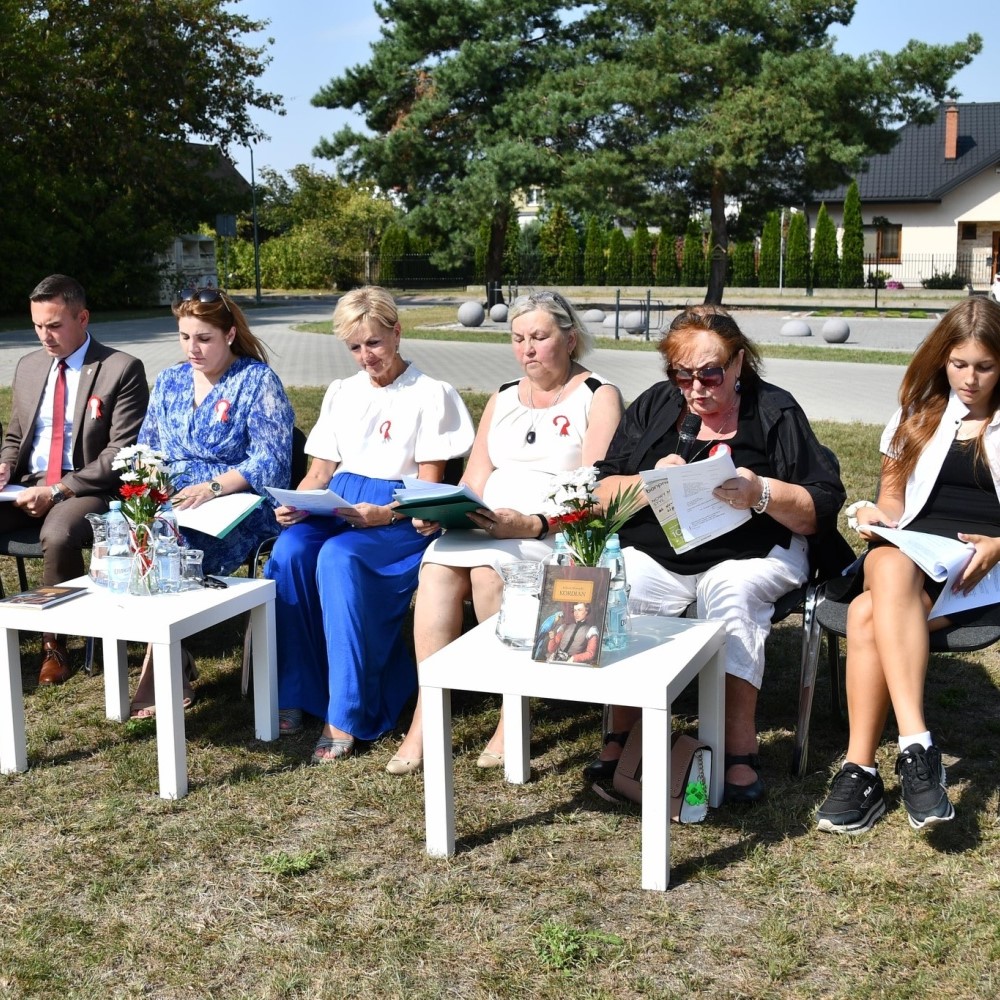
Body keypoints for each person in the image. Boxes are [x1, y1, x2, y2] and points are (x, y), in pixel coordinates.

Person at [592, 304, 846, 803]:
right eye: (682, 375)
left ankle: (737, 748)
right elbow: (601, 492)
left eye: (710, 374)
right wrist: (649, 483)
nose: (696, 388)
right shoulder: (656, 405)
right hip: (662, 553)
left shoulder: (774, 410)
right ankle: (625, 730)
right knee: (623, 585)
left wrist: (760, 492)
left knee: (730, 591)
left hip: (754, 553)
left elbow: (820, 506)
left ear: (739, 362)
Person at [389, 290, 623, 775]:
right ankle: (428, 712)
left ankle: (511, 708)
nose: (527, 349)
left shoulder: (598, 394)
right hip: (486, 524)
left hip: (549, 532)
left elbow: (596, 495)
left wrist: (532, 523)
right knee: (435, 571)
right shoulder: (502, 395)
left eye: (539, 337)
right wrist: (441, 511)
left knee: (487, 574)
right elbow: (475, 478)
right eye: (518, 338)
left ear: (570, 339)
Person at [266, 286, 475, 764]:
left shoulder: (431, 394)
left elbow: (430, 485)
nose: (366, 356)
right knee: (290, 550)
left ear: (397, 333)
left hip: (400, 514)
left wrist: (388, 513)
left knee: (339, 557)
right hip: (339, 505)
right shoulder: (342, 391)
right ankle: (297, 688)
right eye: (355, 347)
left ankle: (347, 710)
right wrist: (297, 503)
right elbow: (319, 471)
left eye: (374, 343)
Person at [816, 297, 1000, 834]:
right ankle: (917, 745)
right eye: (959, 364)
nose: (970, 379)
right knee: (890, 562)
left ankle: (860, 770)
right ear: (942, 358)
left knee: (866, 614)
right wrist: (878, 516)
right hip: (912, 552)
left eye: (985, 366)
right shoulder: (917, 414)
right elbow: (894, 500)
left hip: (978, 565)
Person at [129, 287, 294, 717]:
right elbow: (147, 447)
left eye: (204, 338)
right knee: (139, 536)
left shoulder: (256, 381)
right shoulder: (170, 380)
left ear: (230, 334)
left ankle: (161, 664)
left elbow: (271, 460)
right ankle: (169, 650)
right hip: (175, 499)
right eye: (185, 337)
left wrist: (213, 488)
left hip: (239, 502)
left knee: (173, 546)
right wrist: (148, 490)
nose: (192, 348)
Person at [0, 274, 148, 685]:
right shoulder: (30, 366)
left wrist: (57, 490)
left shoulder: (121, 369)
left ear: (82, 318)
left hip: (88, 488)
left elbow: (120, 454)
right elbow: (15, 436)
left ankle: (56, 643)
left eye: (54, 325)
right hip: (27, 483)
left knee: (60, 532)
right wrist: (6, 466)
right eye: (37, 325)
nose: (43, 336)